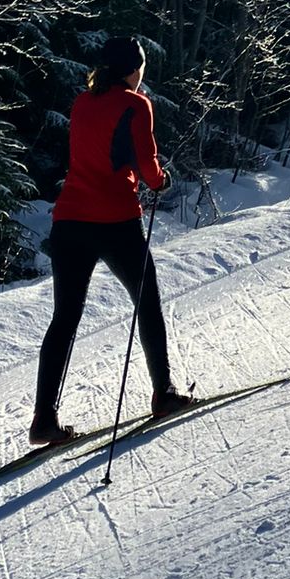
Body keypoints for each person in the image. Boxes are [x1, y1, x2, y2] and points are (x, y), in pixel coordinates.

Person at [30, 35, 194, 445]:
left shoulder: (82, 102)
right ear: (133, 69)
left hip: (69, 220)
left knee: (64, 319)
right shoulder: (136, 105)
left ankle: (43, 420)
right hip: (115, 220)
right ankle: (163, 394)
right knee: (147, 304)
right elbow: (148, 165)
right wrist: (161, 182)